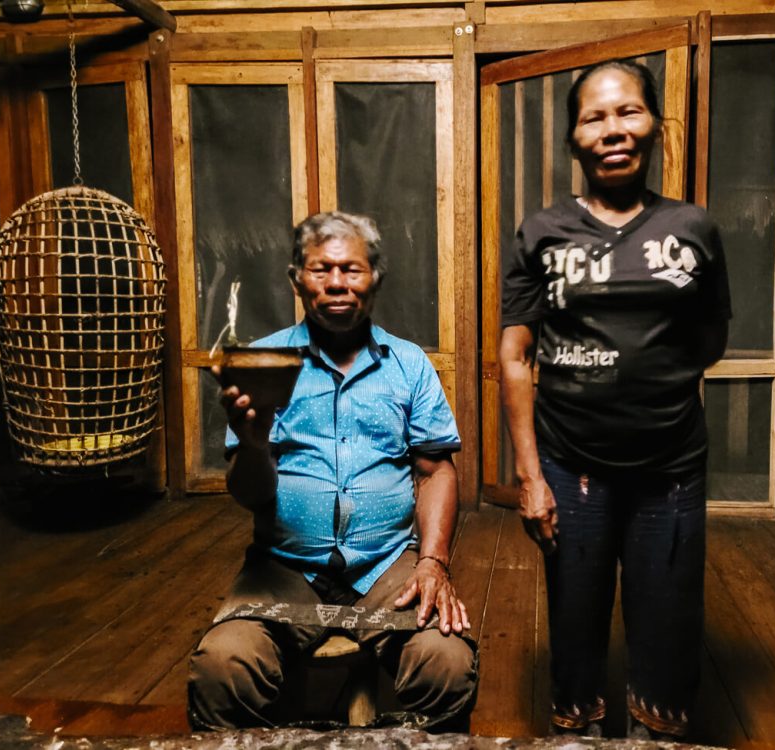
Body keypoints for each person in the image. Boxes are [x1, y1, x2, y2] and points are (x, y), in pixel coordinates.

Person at [498, 60, 731, 740]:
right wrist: (532, 478)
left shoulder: (694, 230)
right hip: (573, 470)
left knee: (668, 630)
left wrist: (647, 377)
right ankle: (578, 732)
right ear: (574, 138)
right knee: (575, 635)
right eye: (594, 118)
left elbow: (710, 339)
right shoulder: (541, 233)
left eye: (628, 111)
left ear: (655, 124)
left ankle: (658, 733)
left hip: (672, 471)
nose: (613, 130)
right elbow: (515, 357)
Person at [189, 211, 477, 732]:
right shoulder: (263, 364)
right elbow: (251, 496)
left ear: (376, 279)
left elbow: (436, 469)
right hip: (284, 567)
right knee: (223, 665)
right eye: (322, 270)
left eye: (352, 269)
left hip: (386, 565)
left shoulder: (408, 364)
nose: (338, 283)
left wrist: (432, 561)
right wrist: (252, 445)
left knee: (447, 661)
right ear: (296, 279)